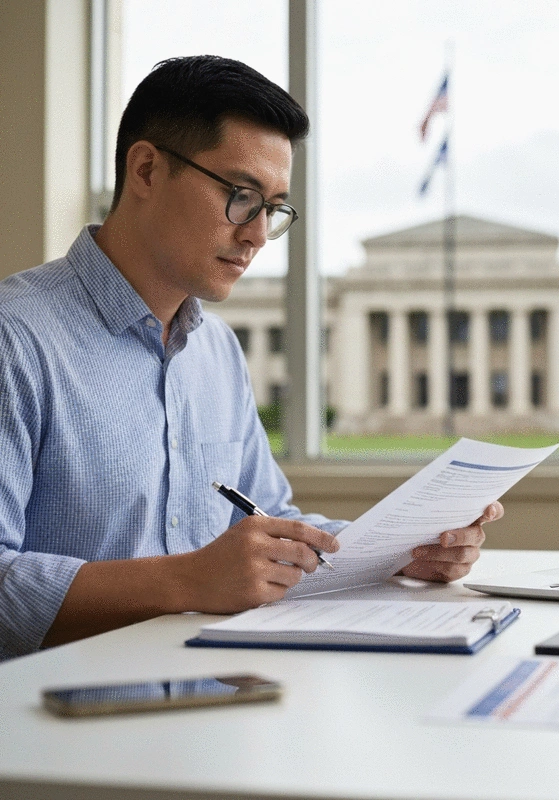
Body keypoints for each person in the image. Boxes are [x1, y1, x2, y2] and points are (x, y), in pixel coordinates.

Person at [0, 55, 502, 661]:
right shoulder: (15, 336)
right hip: (48, 728)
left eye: (275, 208)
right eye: (241, 196)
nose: (259, 234)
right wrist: (188, 579)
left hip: (209, 706)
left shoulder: (215, 350)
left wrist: (409, 551)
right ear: (147, 170)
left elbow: (272, 520)